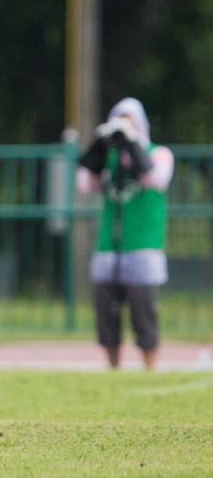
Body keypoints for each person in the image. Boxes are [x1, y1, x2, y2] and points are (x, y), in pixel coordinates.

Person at [76, 97, 174, 370]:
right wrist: (99, 145)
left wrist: (133, 143)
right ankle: (113, 367)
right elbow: (84, 184)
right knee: (106, 312)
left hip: (143, 245)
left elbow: (155, 179)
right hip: (108, 245)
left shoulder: (158, 153)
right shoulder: (108, 159)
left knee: (143, 311)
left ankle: (149, 367)